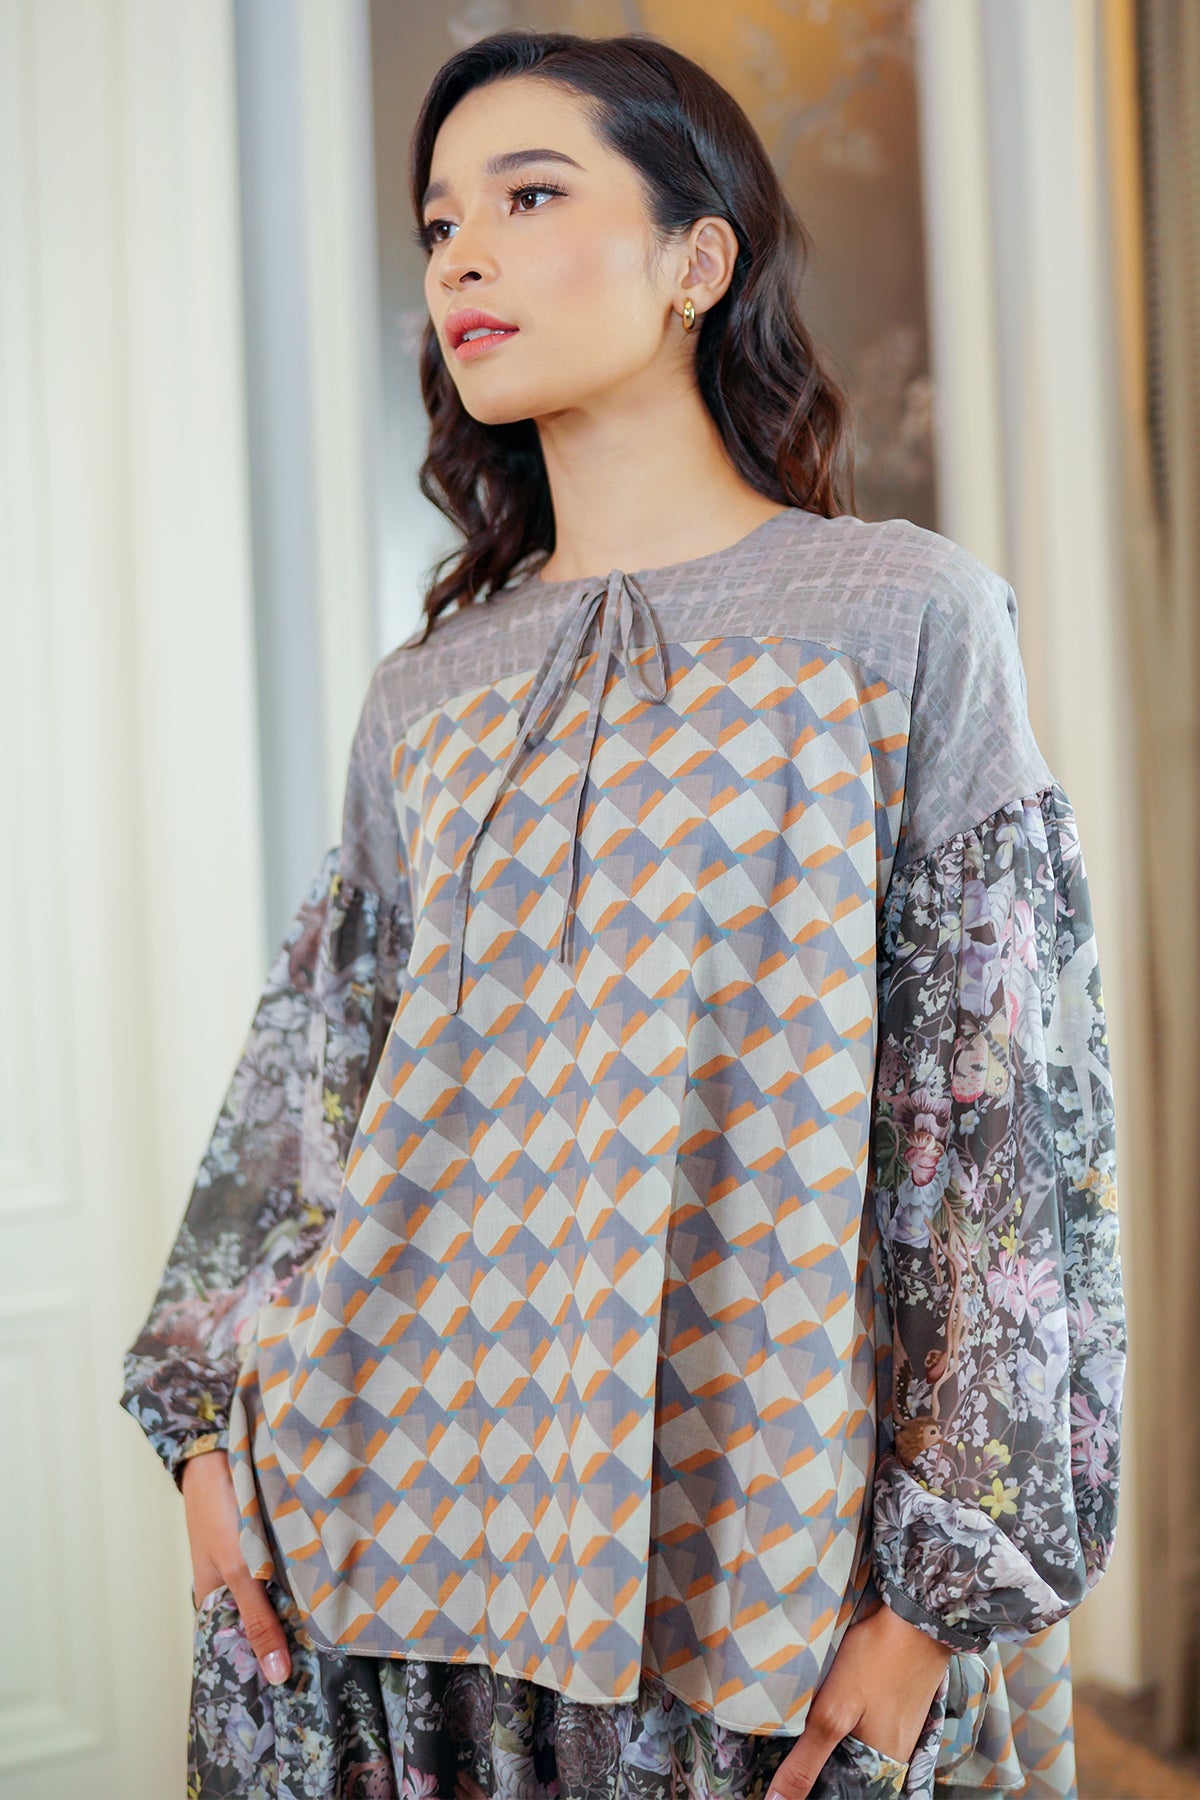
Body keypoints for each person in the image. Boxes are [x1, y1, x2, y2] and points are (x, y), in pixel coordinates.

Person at [119, 27, 1126, 1800]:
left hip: (772, 1548)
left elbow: (997, 1132)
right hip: (397, 1523)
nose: (462, 259)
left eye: (528, 196)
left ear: (696, 260)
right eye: (440, 224)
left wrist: (937, 1595)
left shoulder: (900, 619)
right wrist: (209, 1440)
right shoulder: (426, 693)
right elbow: (312, 1090)